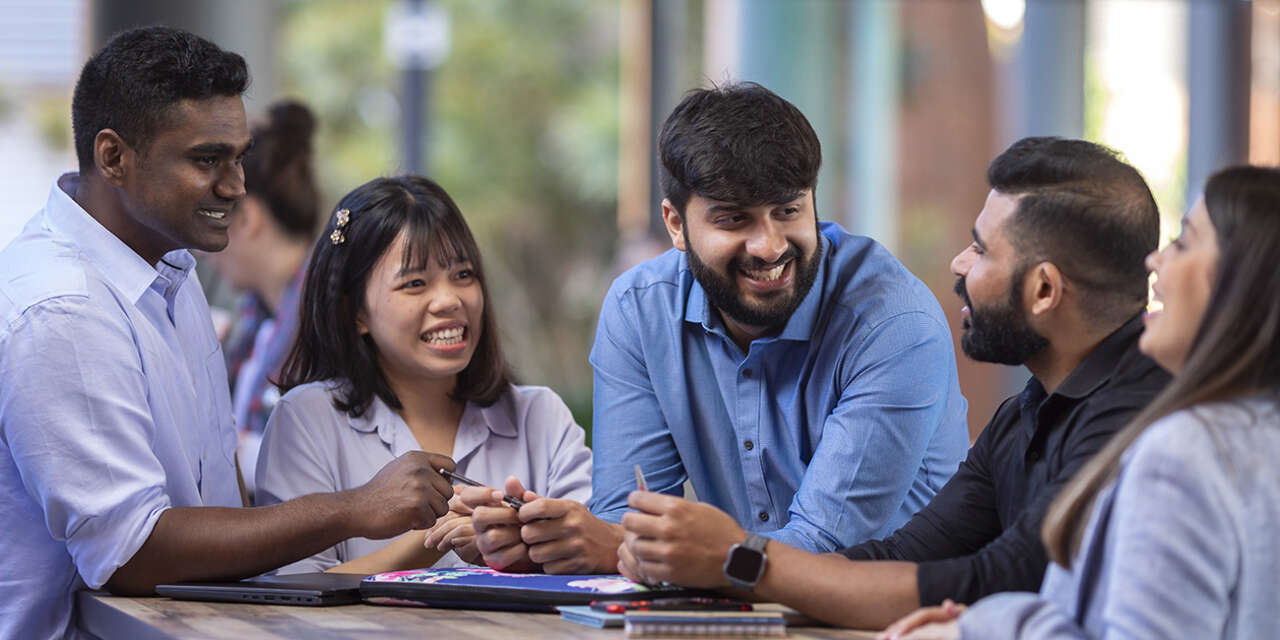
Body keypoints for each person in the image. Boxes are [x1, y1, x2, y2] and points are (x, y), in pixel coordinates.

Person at [0, 27, 454, 639]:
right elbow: (132, 553)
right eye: (207, 160)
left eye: (238, 158)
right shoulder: (63, 309)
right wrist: (354, 509)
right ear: (113, 157)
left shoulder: (170, 270)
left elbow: (210, 495)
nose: (236, 186)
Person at [615, 136, 1171, 629]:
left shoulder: (1139, 421)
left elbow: (997, 579)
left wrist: (737, 558)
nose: (959, 264)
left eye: (980, 249)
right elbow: (904, 558)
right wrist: (727, 563)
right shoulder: (1024, 415)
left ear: (1044, 291)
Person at [460, 81, 969, 574]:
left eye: (788, 210)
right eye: (734, 220)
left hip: (896, 623)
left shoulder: (894, 323)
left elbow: (825, 546)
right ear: (676, 225)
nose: (769, 245)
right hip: (731, 616)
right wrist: (545, 543)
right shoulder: (641, 311)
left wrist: (616, 544)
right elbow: (628, 519)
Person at [886, 165, 1280, 640]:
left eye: (1184, 242)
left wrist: (986, 624)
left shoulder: (1185, 453)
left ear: (1240, 288)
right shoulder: (1252, 440)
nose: (1155, 261)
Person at [255, 175, 592, 574]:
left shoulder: (542, 416)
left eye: (463, 275)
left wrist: (523, 547)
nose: (450, 300)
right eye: (415, 283)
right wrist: (432, 540)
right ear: (355, 312)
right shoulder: (307, 420)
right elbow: (294, 593)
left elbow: (595, 562)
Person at [205, 99, 321, 492]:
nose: (206, 250)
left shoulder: (328, 315)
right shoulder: (261, 317)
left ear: (249, 218)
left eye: (214, 217)